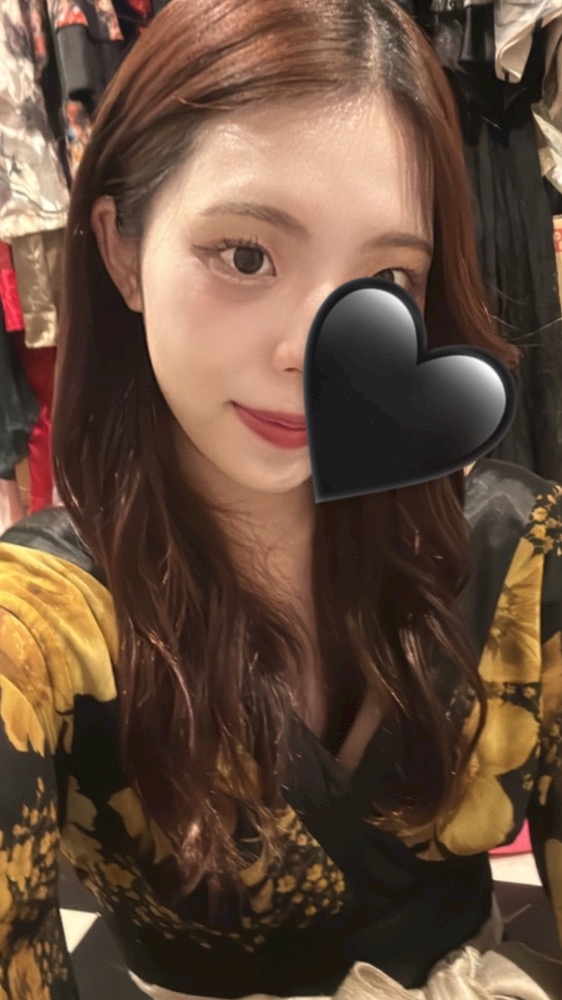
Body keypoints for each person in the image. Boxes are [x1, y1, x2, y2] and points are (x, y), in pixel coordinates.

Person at [0, 0, 561, 997]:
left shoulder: (517, 555)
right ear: (123, 250)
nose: (316, 354)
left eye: (385, 275)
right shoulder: (43, 621)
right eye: (247, 255)